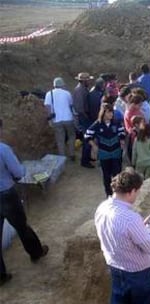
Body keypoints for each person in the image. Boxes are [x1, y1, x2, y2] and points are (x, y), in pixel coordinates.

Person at [95, 168, 150, 303]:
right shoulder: (131, 218)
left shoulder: (102, 208)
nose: (137, 196)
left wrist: (141, 227)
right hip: (139, 274)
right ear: (132, 191)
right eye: (138, 192)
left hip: (115, 268)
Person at [0, 118, 49, 286]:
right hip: (6, 194)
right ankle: (36, 252)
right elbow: (18, 172)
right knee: (21, 226)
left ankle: (1, 274)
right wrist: (20, 172)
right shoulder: (3, 149)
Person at [85, 103, 125, 197]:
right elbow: (87, 135)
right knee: (106, 176)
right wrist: (94, 146)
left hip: (116, 153)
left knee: (117, 175)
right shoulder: (97, 124)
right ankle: (109, 195)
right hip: (104, 154)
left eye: (112, 112)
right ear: (103, 113)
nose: (111, 114)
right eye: (109, 112)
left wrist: (122, 141)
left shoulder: (116, 123)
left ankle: (118, 194)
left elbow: (122, 132)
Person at [44, 77, 76, 161]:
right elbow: (71, 105)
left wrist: (50, 119)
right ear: (62, 85)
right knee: (71, 136)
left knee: (60, 139)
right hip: (68, 118)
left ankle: (62, 157)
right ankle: (72, 154)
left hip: (56, 120)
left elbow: (47, 107)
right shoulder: (67, 93)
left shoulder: (49, 94)